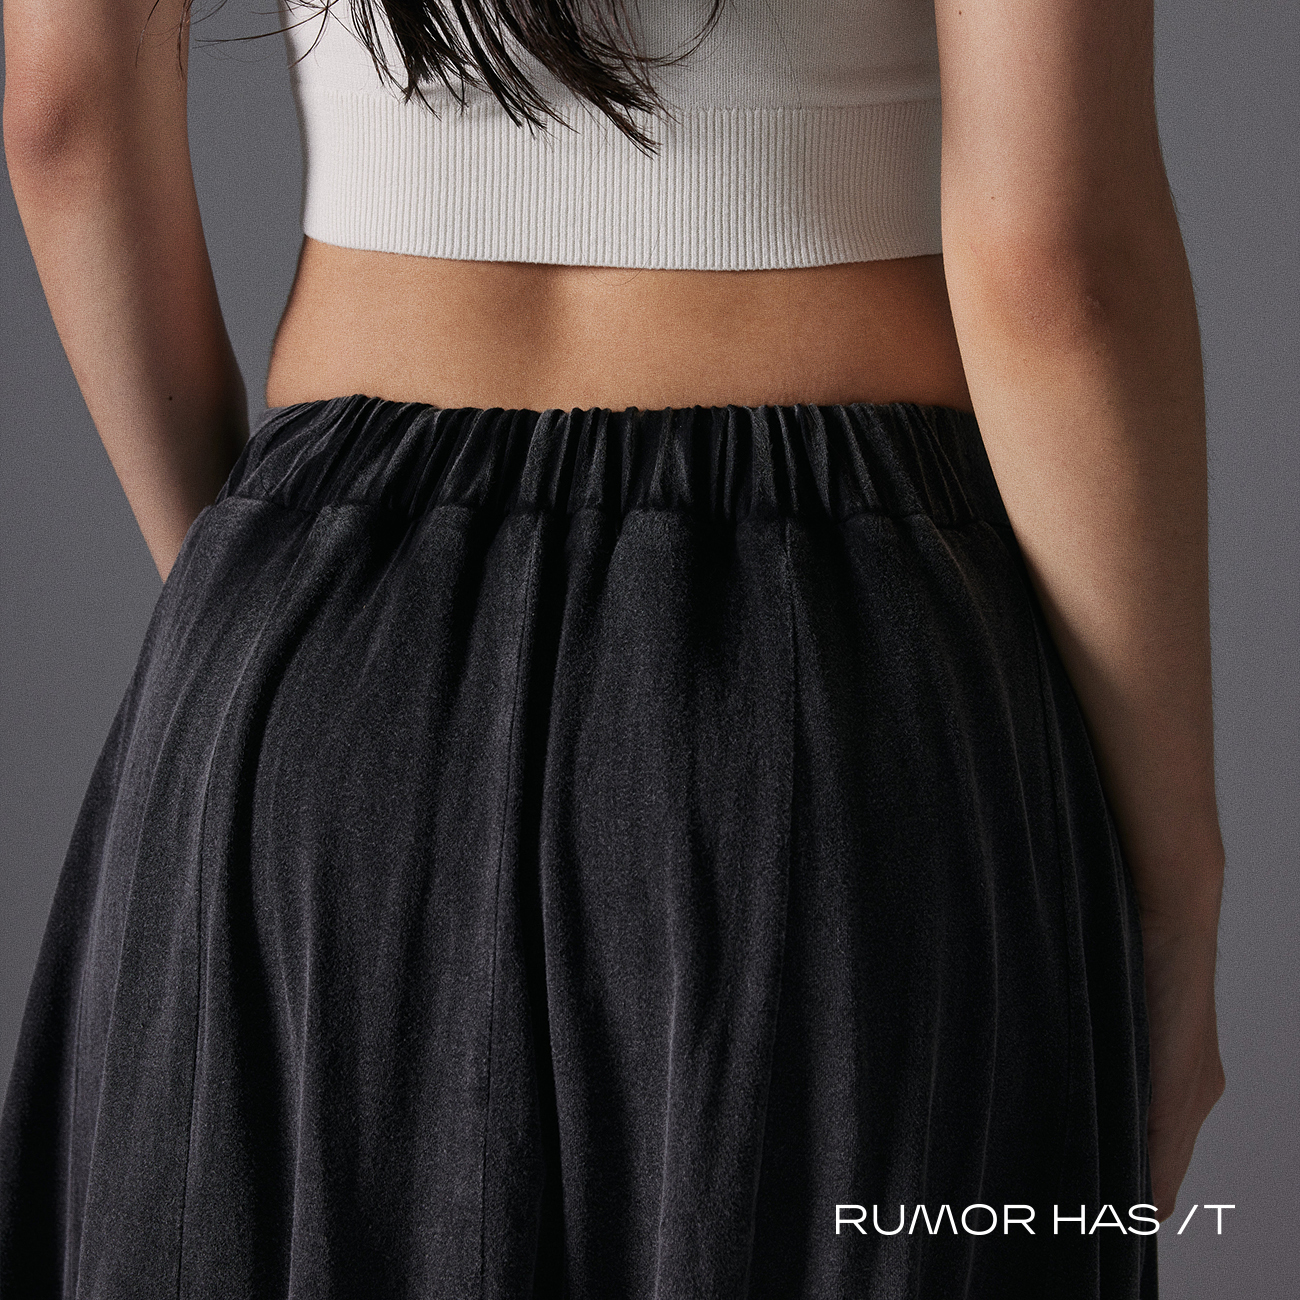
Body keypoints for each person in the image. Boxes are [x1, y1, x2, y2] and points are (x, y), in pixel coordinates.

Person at [0, 0, 1225, 1294]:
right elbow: (1056, 271)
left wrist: (264, 620)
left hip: (324, 649)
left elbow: (62, 113)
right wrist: (1175, 892)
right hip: (833, 683)